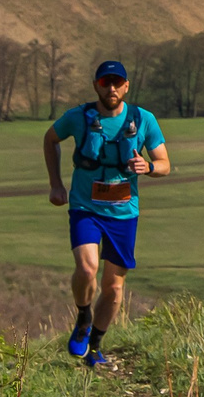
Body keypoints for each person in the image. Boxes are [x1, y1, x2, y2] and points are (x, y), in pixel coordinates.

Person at [44, 60, 170, 368]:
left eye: (117, 82)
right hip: (85, 208)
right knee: (87, 270)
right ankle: (83, 315)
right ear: (96, 86)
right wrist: (56, 184)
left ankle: (95, 346)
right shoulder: (79, 117)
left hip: (124, 213)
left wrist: (149, 167)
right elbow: (50, 139)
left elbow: (165, 163)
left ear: (126, 86)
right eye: (105, 83)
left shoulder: (144, 120)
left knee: (114, 287)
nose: (111, 88)